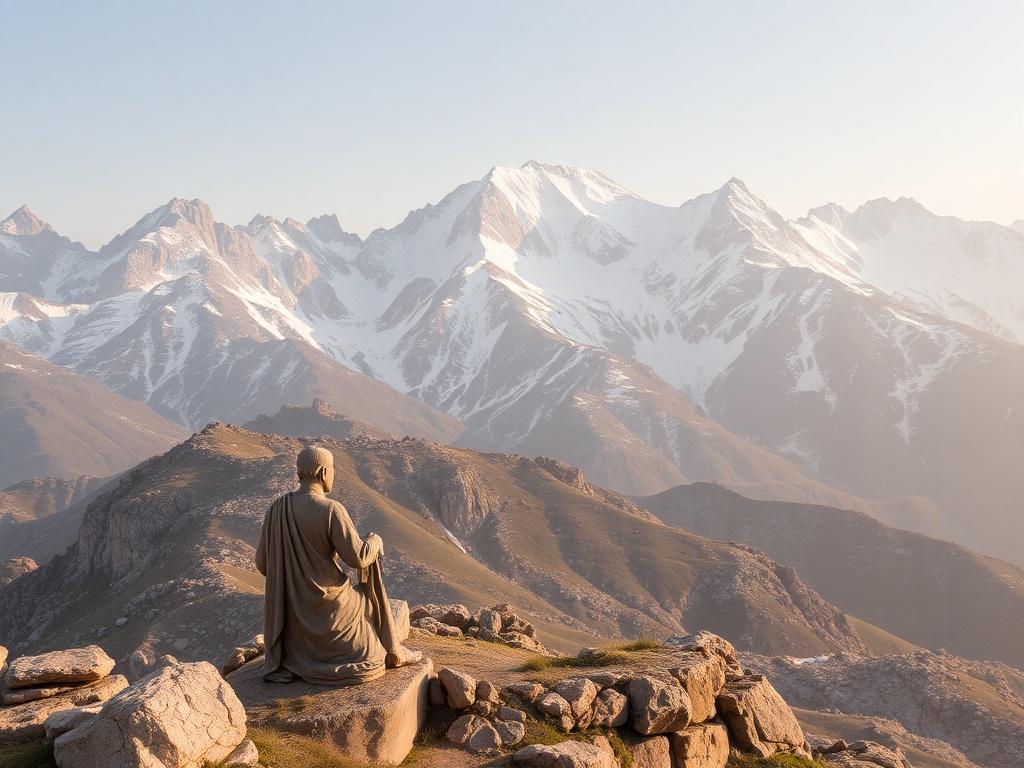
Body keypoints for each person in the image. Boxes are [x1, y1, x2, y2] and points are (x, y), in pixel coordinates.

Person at [255, 444, 422, 684]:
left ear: (299, 473)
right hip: (332, 611)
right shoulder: (331, 509)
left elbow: (263, 566)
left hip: (295, 624)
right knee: (367, 597)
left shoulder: (276, 510)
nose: (333, 474)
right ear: (323, 472)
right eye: (333, 470)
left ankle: (303, 660)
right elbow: (359, 559)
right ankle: (392, 649)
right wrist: (375, 542)